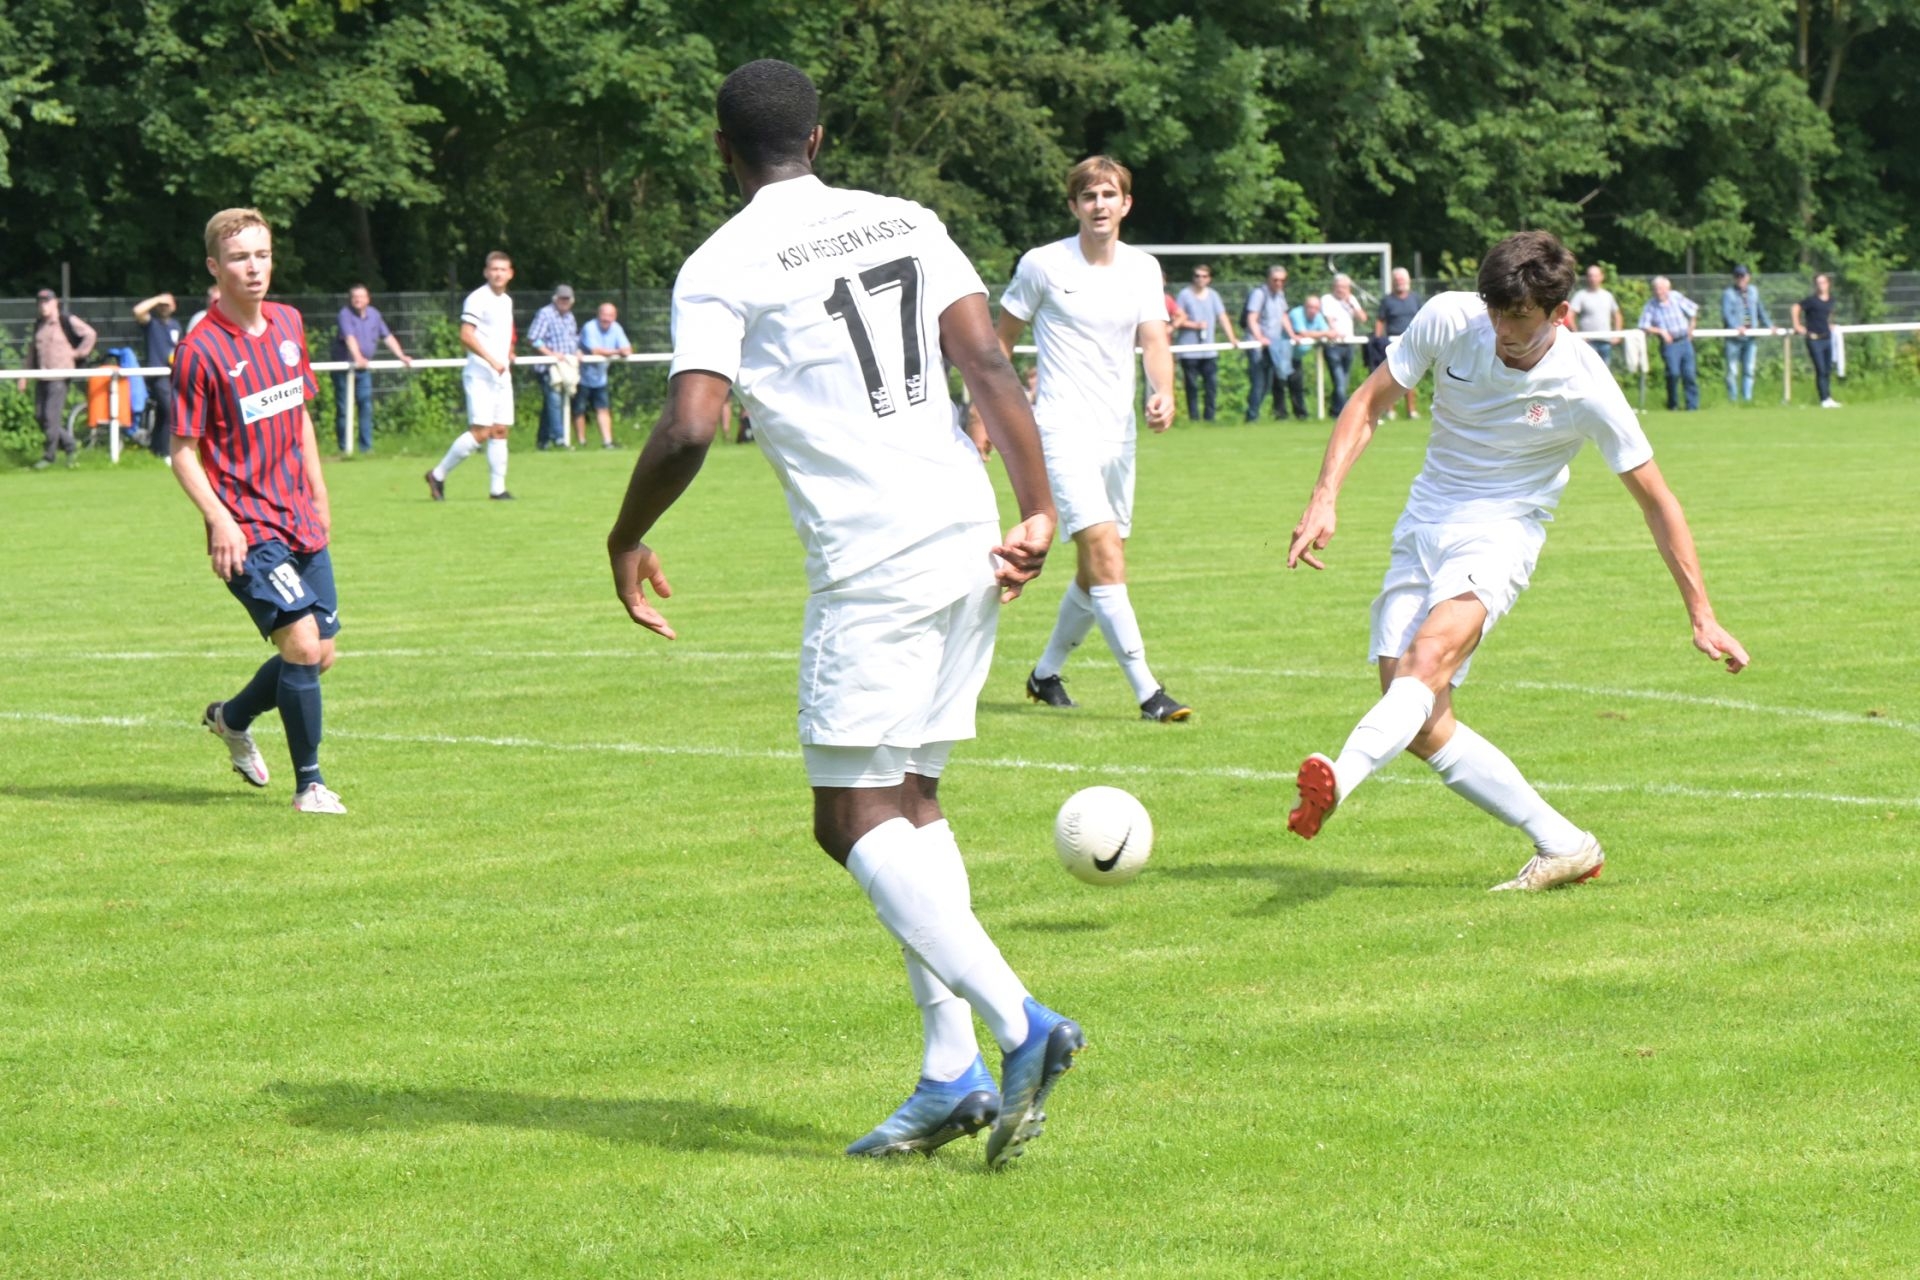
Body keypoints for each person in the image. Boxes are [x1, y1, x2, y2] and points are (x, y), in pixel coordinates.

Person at [606, 58, 1082, 1169]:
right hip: (965, 529)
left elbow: (689, 423)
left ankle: (1021, 1023)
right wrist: (1040, 507)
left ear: (722, 150)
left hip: (871, 559)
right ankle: (949, 1068)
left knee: (849, 816)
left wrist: (625, 534)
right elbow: (985, 358)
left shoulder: (720, 263)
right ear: (817, 139)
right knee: (911, 799)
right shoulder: (907, 218)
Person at [1283, 230, 1749, 891]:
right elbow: (1368, 403)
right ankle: (1566, 844)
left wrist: (1701, 614)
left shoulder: (1584, 382)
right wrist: (1324, 496)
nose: (1504, 331)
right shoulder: (1449, 318)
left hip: (1501, 533)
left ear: (1559, 312)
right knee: (1416, 715)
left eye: (1521, 318)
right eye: (1496, 312)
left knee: (1426, 661)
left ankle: (1339, 778)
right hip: (1423, 521)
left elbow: (1657, 500)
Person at [996, 155, 1189, 722]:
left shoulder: (1143, 268)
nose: (1099, 205)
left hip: (1118, 435)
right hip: (1060, 430)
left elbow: (1155, 340)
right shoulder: (1042, 264)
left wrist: (1164, 391)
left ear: (1125, 204)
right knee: (1104, 551)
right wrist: (986, 415)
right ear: (1074, 206)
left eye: (1108, 195)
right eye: (1088, 196)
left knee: (1097, 563)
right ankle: (1149, 693)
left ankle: (1045, 674)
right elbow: (998, 343)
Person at [169, 208, 344, 814]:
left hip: (300, 517)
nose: (254, 268)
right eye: (240, 257)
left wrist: (319, 493)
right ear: (214, 267)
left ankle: (232, 718)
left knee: (321, 652)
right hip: (248, 529)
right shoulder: (199, 351)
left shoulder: (289, 324)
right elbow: (182, 452)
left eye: (262, 255)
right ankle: (310, 785)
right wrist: (220, 520)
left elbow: (299, 415)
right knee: (301, 643)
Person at [426, 252, 516, 500]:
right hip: (481, 374)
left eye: (503, 269)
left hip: (501, 374)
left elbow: (502, 333)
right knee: (481, 431)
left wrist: (508, 352)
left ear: (510, 273)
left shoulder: (506, 301)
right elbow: (466, 335)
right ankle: (438, 474)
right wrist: (491, 359)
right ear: (486, 272)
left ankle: (497, 489)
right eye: (494, 269)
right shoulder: (477, 298)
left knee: (500, 430)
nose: (498, 273)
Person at [17, 288, 96, 470]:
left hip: (59, 377)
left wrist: (78, 353)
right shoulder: (39, 325)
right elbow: (31, 353)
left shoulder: (66, 320)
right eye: (40, 302)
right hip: (41, 376)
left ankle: (49, 456)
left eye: (46, 302)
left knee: (51, 417)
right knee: (40, 416)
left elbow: (90, 334)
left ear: (55, 303)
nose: (43, 306)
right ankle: (69, 445)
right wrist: (23, 376)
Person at [328, 284, 412, 454]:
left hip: (363, 369)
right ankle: (344, 449)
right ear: (351, 299)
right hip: (344, 369)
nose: (358, 300)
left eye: (361, 296)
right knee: (344, 409)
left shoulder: (375, 315)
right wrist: (358, 357)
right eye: (355, 297)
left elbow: (387, 337)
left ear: (368, 299)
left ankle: (366, 449)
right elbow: (350, 338)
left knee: (366, 406)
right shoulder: (345, 314)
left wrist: (401, 355)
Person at [1172, 264, 1238, 421]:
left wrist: (1232, 337)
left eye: (1204, 276)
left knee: (1211, 385)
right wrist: (1195, 325)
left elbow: (1222, 316)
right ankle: (1194, 417)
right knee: (1192, 386)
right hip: (1189, 350)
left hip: (1209, 350)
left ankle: (1210, 417)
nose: (1200, 279)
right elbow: (1177, 319)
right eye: (1197, 276)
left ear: (1209, 279)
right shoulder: (1185, 295)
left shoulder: (1213, 295)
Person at [527, 284, 580, 450]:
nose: (564, 302)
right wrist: (550, 354)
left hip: (566, 367)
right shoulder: (545, 314)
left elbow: (573, 339)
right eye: (561, 298)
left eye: (567, 299)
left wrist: (577, 351)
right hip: (548, 367)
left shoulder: (570, 317)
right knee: (554, 400)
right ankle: (559, 438)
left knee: (551, 404)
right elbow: (534, 338)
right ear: (555, 299)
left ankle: (543, 441)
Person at [132, 292, 184, 458]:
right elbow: (138, 311)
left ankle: (156, 449)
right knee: (170, 410)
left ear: (174, 307)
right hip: (157, 375)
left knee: (162, 413)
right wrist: (157, 299)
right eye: (161, 306)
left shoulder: (176, 325)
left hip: (171, 373)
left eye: (167, 305)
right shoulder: (151, 324)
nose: (163, 308)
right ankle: (167, 452)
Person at [576, 301, 632, 448]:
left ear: (615, 316)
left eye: (610, 315)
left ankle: (607, 442)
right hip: (580, 376)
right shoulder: (589, 327)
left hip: (601, 377)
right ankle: (581, 443)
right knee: (579, 410)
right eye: (604, 315)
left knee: (603, 408)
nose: (607, 318)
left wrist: (623, 351)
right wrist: (618, 351)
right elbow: (595, 350)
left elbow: (627, 349)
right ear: (598, 314)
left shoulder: (616, 328)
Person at [1243, 265, 1296, 421]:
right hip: (1259, 346)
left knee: (1267, 384)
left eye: (1282, 280)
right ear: (1268, 279)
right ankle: (1251, 416)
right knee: (1259, 382)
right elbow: (1252, 318)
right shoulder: (1259, 294)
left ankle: (1253, 413)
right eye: (1275, 280)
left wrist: (1292, 334)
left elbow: (1283, 316)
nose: (1279, 283)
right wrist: (1260, 337)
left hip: (1274, 345)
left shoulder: (1280, 294)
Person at [1639, 276, 1699, 411]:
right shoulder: (1651, 305)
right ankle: (1673, 404)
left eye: (1661, 289)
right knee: (1673, 373)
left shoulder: (1675, 297)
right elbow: (1644, 325)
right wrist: (1661, 331)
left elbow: (1693, 310)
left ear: (1668, 288)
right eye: (1655, 289)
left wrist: (1691, 327)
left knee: (1689, 374)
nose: (1658, 292)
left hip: (1685, 340)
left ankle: (1692, 406)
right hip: (1670, 344)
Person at [1374, 267, 1423, 419]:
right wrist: (1378, 339)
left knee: (1411, 377)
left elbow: (1422, 318)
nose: (1399, 282)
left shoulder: (1415, 299)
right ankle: (1390, 410)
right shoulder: (1387, 300)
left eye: (1402, 279)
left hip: (1411, 341)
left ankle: (1411, 410)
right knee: (1391, 377)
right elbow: (1380, 320)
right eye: (1396, 280)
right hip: (1392, 341)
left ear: (1408, 281)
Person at [1720, 266, 1770, 404]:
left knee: (1749, 369)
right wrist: (1736, 326)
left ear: (1748, 277)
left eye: (1743, 276)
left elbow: (1760, 310)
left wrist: (1770, 325)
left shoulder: (1753, 291)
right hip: (1733, 339)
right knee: (1732, 371)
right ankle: (1733, 400)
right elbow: (1727, 314)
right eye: (1737, 276)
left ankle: (1747, 400)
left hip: (1750, 338)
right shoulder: (1728, 294)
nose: (1740, 279)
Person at [1319, 274, 1368, 414]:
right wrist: (1334, 331)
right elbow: (1329, 319)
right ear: (1333, 287)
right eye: (1339, 287)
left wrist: (1351, 304)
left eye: (1344, 287)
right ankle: (1344, 412)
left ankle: (1335, 410)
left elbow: (1363, 318)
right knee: (1339, 381)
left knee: (1343, 382)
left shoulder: (1351, 299)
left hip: (1348, 344)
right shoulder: (1327, 299)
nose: (1341, 290)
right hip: (1333, 345)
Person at [1791, 273, 1841, 408]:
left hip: (1827, 338)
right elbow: (1795, 307)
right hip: (1814, 339)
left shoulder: (1831, 300)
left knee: (1827, 369)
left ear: (1828, 284)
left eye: (1823, 282)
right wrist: (1797, 325)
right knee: (1820, 368)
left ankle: (1828, 397)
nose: (1821, 285)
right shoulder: (1811, 301)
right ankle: (1824, 399)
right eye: (1818, 283)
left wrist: (1830, 324)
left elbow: (1828, 314)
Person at [1568, 264, 1624, 366]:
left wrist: (1617, 335)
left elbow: (1617, 315)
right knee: (1588, 371)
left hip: (1605, 341)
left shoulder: (1607, 295)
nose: (1593, 278)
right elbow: (1569, 315)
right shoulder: (1581, 296)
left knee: (1605, 372)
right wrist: (1577, 335)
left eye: (1596, 276)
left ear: (1601, 277)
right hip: (1587, 342)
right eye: (1590, 276)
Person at [1285, 293, 1330, 417]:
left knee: (1297, 385)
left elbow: (1327, 332)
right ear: (1304, 306)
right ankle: (1279, 415)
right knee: (1278, 386)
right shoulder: (1296, 313)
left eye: (1316, 308)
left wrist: (1322, 333)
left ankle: (1300, 415)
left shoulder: (1318, 316)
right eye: (1310, 307)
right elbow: (1303, 333)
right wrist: (1322, 334)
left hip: (1296, 357)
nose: (1313, 311)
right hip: (1281, 355)